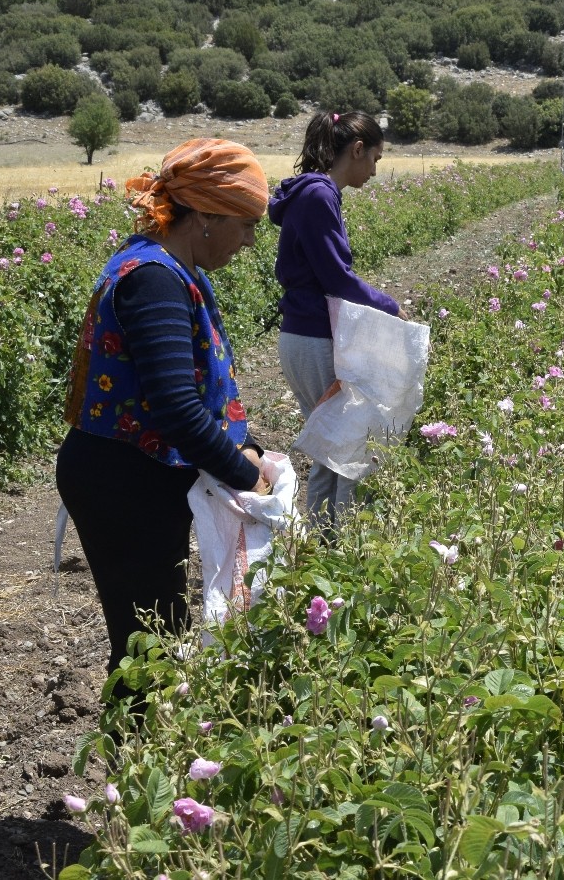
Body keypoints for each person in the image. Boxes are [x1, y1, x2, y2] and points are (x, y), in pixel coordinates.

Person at [57, 138, 270, 696]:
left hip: (132, 475)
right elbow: (177, 411)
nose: (249, 240)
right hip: (122, 482)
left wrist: (248, 448)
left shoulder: (164, 265)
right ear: (203, 215)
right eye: (245, 224)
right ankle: (135, 774)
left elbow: (185, 398)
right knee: (147, 652)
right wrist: (249, 475)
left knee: (155, 639)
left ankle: (147, 766)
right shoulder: (154, 280)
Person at [269, 110, 402, 528]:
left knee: (333, 445)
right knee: (350, 446)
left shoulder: (316, 193)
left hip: (306, 335)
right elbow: (336, 279)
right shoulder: (319, 195)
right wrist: (390, 306)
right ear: (357, 150)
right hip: (314, 337)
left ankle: (321, 546)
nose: (375, 172)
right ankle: (343, 546)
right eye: (375, 160)